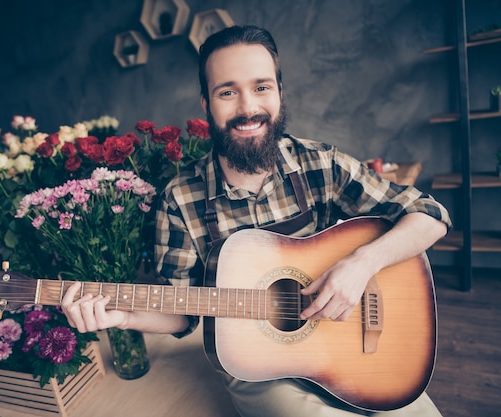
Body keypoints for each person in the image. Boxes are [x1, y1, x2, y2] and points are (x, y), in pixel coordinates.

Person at [61, 25, 451, 417]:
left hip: (347, 341)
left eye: (261, 87)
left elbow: (432, 215)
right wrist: (124, 315)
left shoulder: (322, 163)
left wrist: (363, 263)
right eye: (227, 92)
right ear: (206, 103)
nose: (248, 108)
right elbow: (181, 311)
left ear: (280, 92)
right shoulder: (180, 198)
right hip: (256, 364)